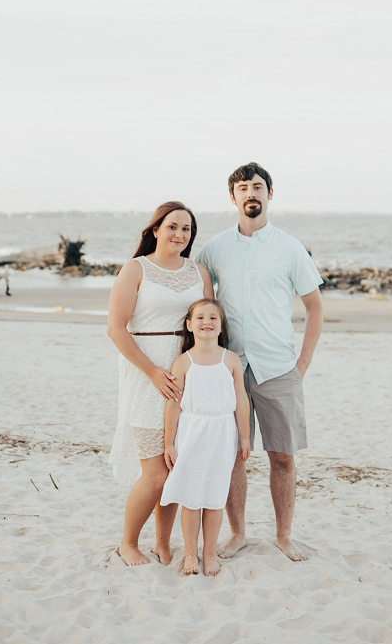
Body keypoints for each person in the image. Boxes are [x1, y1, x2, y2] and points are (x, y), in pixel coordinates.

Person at [195, 162, 324, 562]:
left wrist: (301, 365)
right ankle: (238, 534)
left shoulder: (289, 247)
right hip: (229, 366)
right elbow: (202, 307)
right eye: (243, 188)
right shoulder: (213, 249)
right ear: (232, 197)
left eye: (258, 187)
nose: (251, 193)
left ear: (270, 194)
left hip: (278, 367)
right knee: (233, 454)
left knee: (282, 456)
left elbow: (315, 307)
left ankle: (284, 536)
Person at [107, 202, 213, 566]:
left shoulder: (199, 272)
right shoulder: (136, 269)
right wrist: (153, 372)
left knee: (176, 467)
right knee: (155, 474)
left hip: (188, 373)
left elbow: (209, 320)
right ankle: (128, 542)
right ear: (155, 229)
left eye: (186, 229)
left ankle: (163, 543)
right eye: (172, 227)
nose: (179, 235)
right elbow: (116, 329)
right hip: (146, 374)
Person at [160, 299, 251, 576]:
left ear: (221, 325)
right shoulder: (183, 362)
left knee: (214, 497)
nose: (206, 322)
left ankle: (209, 554)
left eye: (213, 317)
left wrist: (244, 436)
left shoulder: (231, 359)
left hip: (223, 433)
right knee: (191, 498)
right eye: (200, 318)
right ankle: (190, 553)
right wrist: (168, 443)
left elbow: (241, 400)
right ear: (189, 325)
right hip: (192, 434)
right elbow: (173, 405)